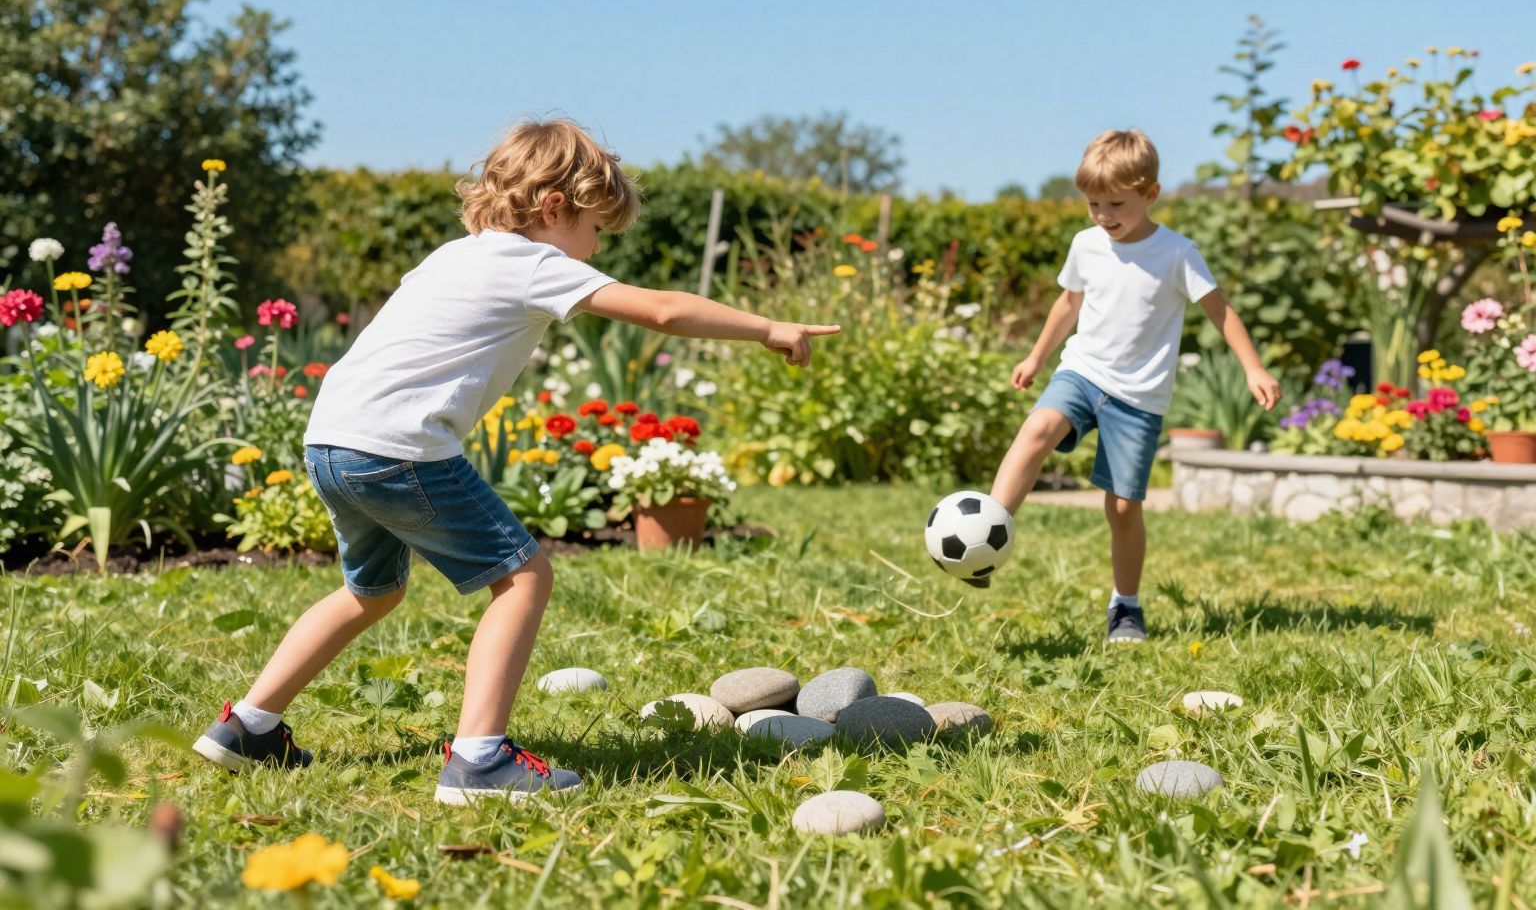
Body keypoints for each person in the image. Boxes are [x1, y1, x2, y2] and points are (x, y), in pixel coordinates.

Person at [192, 118, 839, 802]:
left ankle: (247, 727)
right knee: (524, 576)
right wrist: (767, 327)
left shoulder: (452, 254)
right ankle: (479, 761)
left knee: (370, 591)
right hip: (400, 448)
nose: (595, 248)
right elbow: (663, 311)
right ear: (556, 207)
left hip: (333, 441)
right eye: (595, 230)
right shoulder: (533, 263)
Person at [989, 129, 1279, 642]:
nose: (1103, 215)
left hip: (1139, 394)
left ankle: (1126, 605)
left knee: (1123, 506)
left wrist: (1253, 367)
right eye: (1093, 204)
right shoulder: (1086, 245)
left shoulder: (1177, 254)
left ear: (1150, 194)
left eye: (1116, 203)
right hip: (1083, 369)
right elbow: (1068, 305)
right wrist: (1037, 356)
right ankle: (984, 534)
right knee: (1038, 428)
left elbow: (1222, 310)